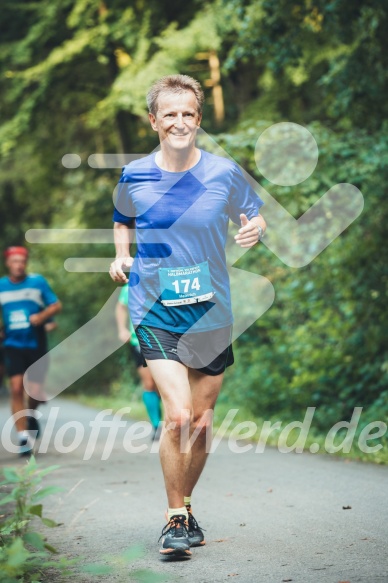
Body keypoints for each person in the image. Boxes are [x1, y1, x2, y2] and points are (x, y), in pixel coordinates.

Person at [109, 74, 266, 558]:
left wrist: (254, 228)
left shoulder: (223, 172)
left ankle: (187, 506)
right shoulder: (134, 174)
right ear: (154, 121)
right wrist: (121, 256)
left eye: (188, 114)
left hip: (211, 311)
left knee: (199, 421)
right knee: (176, 415)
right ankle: (175, 518)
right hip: (154, 308)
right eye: (169, 114)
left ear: (198, 120)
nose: (179, 122)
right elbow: (122, 218)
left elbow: (253, 212)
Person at [0, 247, 62, 456]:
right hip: (12, 345)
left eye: (22, 261)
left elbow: (55, 305)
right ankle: (23, 437)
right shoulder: (1, 286)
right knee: (16, 388)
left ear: (26, 263)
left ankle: (31, 415)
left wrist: (41, 317)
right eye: (15, 261)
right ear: (8, 263)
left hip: (36, 344)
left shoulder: (37, 283)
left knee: (33, 391)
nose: (19, 265)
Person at [115, 283, 162, 439]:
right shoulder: (130, 286)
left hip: (166, 339)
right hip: (140, 340)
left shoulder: (165, 277)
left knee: (164, 383)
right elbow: (121, 307)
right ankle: (157, 425)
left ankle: (171, 422)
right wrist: (122, 329)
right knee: (149, 383)